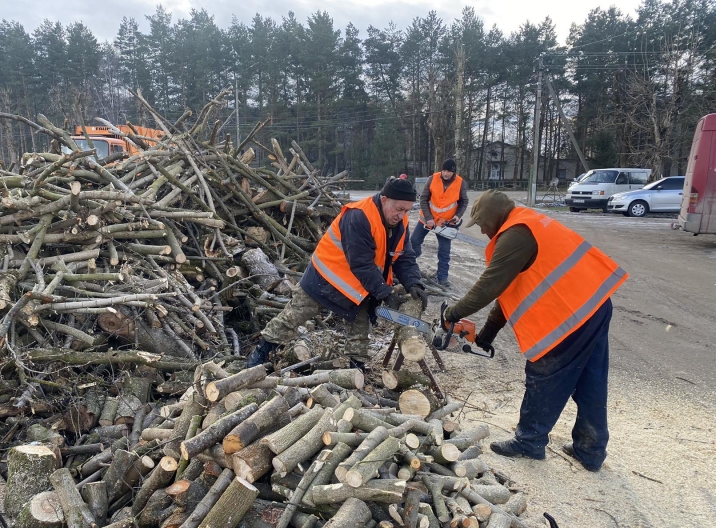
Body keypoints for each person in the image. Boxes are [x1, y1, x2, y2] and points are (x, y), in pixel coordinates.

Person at [441, 190, 627, 471]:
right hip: (594, 303)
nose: (481, 230)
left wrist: (452, 314)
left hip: (571, 315)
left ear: (493, 217)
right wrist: (488, 334)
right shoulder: (527, 223)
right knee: (591, 379)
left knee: (544, 374)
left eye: (481, 223)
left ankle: (530, 441)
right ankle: (590, 450)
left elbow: (490, 286)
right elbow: (510, 290)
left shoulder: (515, 235)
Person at [247, 178, 428, 372]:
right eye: (399, 209)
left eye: (406, 210)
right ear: (384, 200)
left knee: (359, 330)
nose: (401, 215)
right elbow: (361, 263)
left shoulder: (400, 222)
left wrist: (413, 283)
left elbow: (403, 255)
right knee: (294, 316)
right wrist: (385, 293)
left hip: (358, 285)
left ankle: (354, 371)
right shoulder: (359, 216)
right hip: (326, 279)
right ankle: (260, 354)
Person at [410, 158, 469, 289]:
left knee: (444, 251)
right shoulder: (432, 179)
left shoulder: (461, 183)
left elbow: (464, 201)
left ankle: (442, 277)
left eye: (449, 171)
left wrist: (458, 216)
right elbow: (424, 199)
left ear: (454, 172)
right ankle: (409, 267)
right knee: (413, 241)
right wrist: (428, 217)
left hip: (445, 223)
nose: (446, 173)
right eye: (444, 170)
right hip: (427, 218)